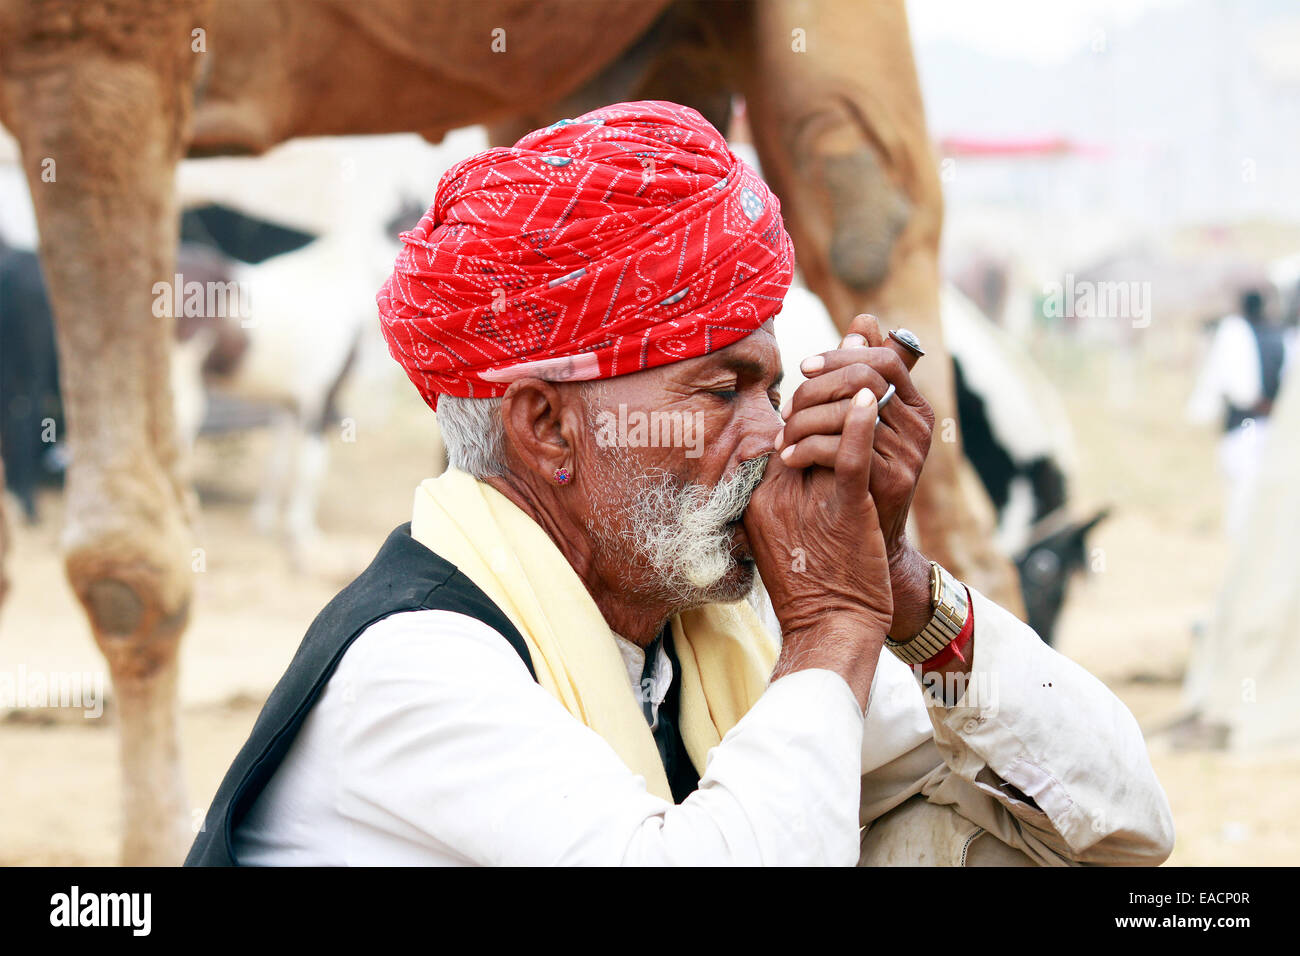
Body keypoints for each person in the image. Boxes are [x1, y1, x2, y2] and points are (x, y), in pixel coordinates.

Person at [187, 101, 1173, 867]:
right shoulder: (418, 667)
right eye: (722, 391)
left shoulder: (720, 631)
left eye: (774, 387)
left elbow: (1125, 823)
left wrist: (904, 591)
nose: (769, 435)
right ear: (546, 427)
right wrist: (832, 628)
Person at [1187, 288, 1292, 537]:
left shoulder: (1235, 335)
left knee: (1242, 490)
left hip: (1245, 424)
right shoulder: (1278, 336)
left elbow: (1236, 389)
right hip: (1270, 425)